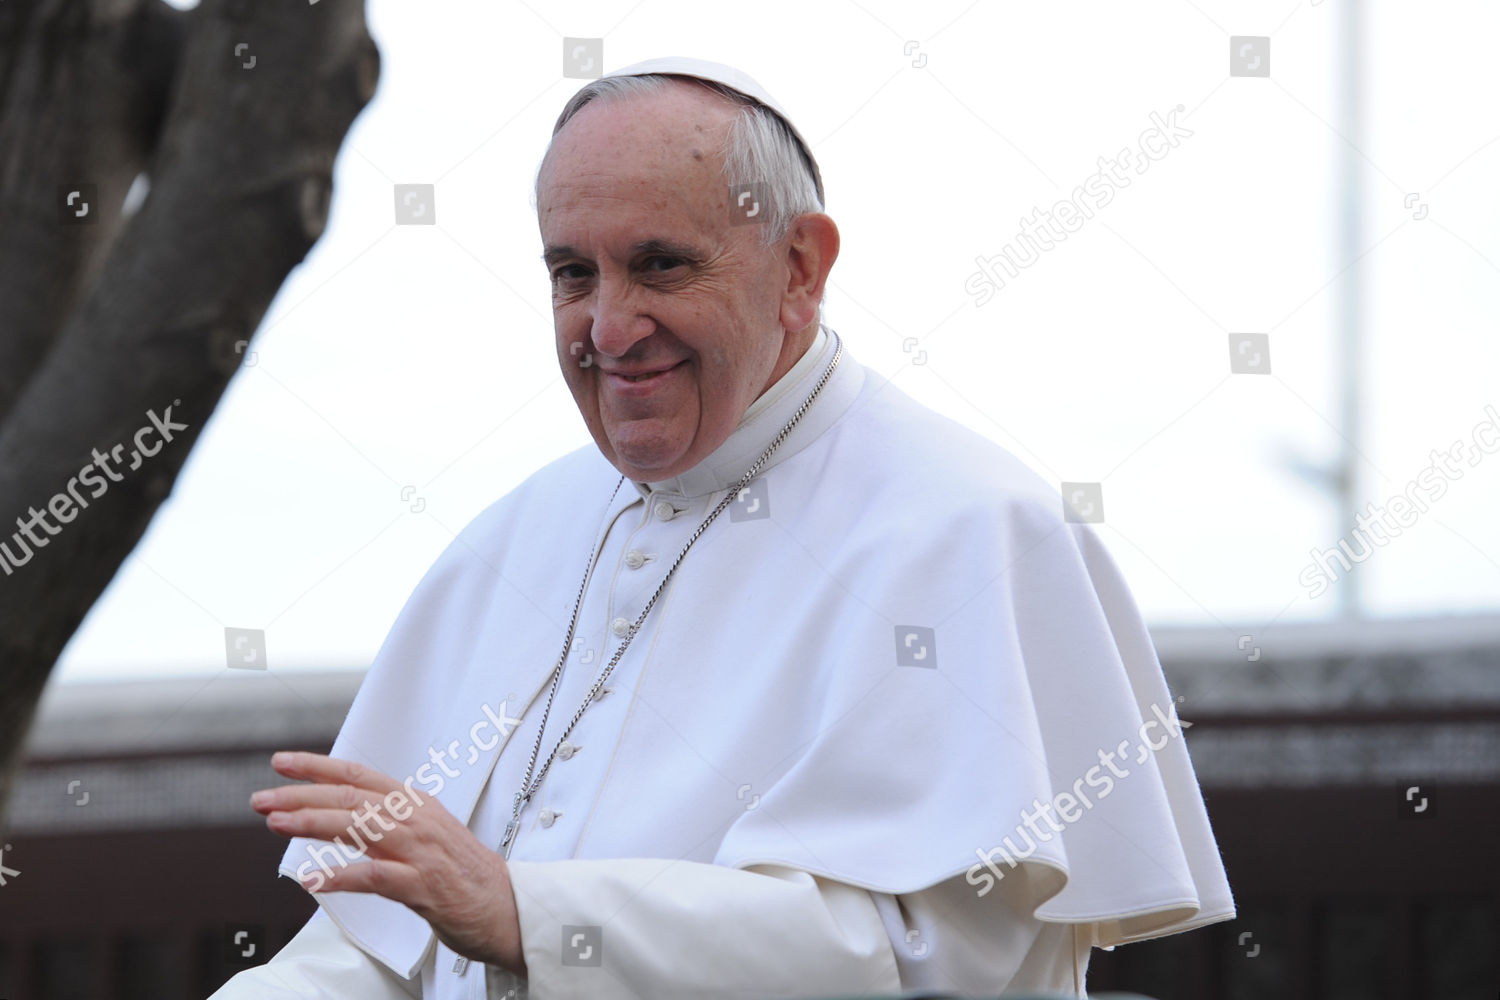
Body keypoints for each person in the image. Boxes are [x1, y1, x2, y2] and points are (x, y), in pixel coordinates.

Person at [209, 56, 1234, 1000]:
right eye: (573, 273)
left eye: (659, 266)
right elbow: (380, 950)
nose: (608, 328)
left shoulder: (970, 530)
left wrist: (529, 915)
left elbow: (935, 960)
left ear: (799, 269)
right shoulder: (511, 540)